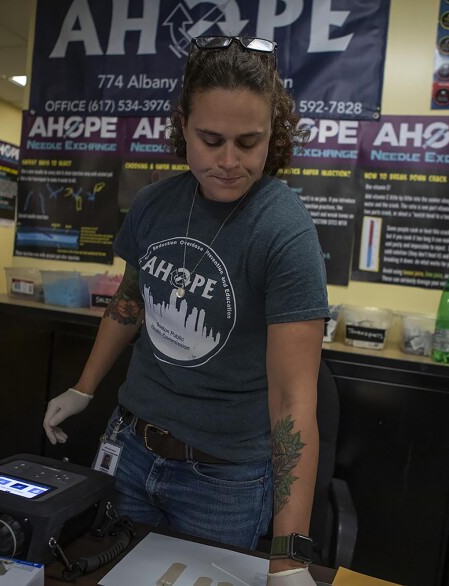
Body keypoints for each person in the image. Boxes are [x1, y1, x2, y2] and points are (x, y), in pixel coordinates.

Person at [43, 35, 328, 586]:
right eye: (211, 139)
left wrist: (290, 554)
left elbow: (294, 401)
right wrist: (84, 387)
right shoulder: (154, 204)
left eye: (249, 142)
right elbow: (131, 302)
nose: (228, 162)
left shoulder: (284, 229)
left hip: (223, 479)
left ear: (275, 133)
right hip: (128, 448)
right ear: (182, 127)